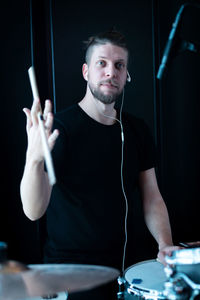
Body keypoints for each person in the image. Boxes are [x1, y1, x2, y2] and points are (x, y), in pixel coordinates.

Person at [20, 30, 179, 299]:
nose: (111, 72)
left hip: (128, 268)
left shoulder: (137, 130)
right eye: (101, 63)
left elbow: (152, 198)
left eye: (119, 66)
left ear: (126, 75)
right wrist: (34, 159)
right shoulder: (58, 129)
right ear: (86, 71)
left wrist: (165, 244)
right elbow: (33, 211)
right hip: (72, 274)